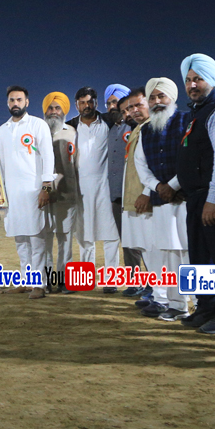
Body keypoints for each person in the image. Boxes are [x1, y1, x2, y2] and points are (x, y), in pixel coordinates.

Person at [177, 53, 215, 334]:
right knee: (200, 256)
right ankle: (206, 307)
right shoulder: (196, 113)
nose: (192, 85)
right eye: (189, 79)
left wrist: (214, 199)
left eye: (198, 79)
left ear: (212, 80)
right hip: (196, 197)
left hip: (212, 197)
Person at [133, 77, 192, 321]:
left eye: (161, 96)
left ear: (172, 98)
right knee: (169, 252)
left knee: (190, 252)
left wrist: (173, 185)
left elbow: (192, 157)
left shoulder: (187, 121)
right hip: (162, 201)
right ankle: (177, 305)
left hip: (187, 199)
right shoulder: (146, 130)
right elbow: (141, 165)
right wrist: (157, 186)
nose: (157, 101)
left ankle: (202, 305)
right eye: (153, 97)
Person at [0, 86, 54, 299]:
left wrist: (46, 188)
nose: (15, 103)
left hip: (34, 192)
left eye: (19, 99)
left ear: (27, 102)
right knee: (20, 239)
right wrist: (0, 192)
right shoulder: (3, 130)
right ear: (7, 103)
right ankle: (26, 281)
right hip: (12, 194)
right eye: (12, 100)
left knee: (37, 239)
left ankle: (40, 284)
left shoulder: (38, 125)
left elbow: (48, 157)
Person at [66, 87, 120, 291]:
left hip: (106, 188)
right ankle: (84, 279)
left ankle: (111, 280)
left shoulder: (109, 121)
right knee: (84, 235)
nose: (86, 106)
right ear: (76, 105)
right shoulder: (70, 127)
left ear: (96, 103)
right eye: (82, 102)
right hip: (80, 189)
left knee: (111, 234)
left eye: (90, 102)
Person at [105, 83, 145, 285]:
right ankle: (134, 281)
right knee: (127, 240)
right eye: (109, 103)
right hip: (116, 193)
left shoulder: (136, 126)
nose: (112, 107)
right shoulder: (111, 129)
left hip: (136, 192)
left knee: (142, 239)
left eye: (116, 102)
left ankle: (152, 284)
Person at [119, 88, 154, 305]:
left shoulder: (152, 128)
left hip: (146, 200)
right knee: (144, 247)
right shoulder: (139, 129)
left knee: (152, 248)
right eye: (130, 107)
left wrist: (147, 193)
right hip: (134, 199)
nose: (133, 110)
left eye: (139, 105)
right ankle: (153, 291)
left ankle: (159, 294)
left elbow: (154, 167)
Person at [41, 92, 77, 293]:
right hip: (43, 195)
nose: (54, 112)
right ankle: (46, 280)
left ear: (64, 111)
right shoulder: (38, 131)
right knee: (45, 238)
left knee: (65, 239)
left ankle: (63, 280)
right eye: (50, 108)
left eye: (58, 108)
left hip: (67, 193)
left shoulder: (72, 133)